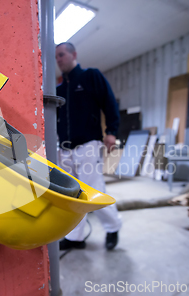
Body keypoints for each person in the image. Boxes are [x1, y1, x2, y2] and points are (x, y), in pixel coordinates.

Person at [55, 42, 122, 251]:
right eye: (56, 56)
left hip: (88, 145)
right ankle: (75, 237)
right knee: (72, 194)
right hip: (64, 149)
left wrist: (111, 132)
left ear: (74, 54)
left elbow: (109, 103)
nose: (58, 60)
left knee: (92, 191)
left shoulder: (91, 77)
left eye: (62, 55)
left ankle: (113, 226)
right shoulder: (59, 89)